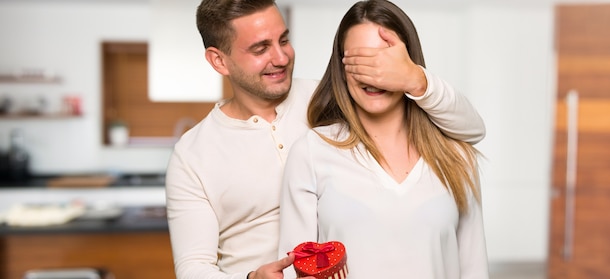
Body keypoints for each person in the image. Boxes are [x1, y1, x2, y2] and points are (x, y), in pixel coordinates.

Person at [166, 0, 486, 278]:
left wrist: (414, 78)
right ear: (218, 60)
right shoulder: (193, 154)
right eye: (260, 48)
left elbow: (469, 130)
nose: (280, 58)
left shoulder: (332, 98)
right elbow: (193, 267)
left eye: (284, 40)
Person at [277, 1, 489, 278]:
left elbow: (474, 269)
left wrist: (415, 79)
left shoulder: (456, 156)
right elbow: (296, 266)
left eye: (383, 61)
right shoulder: (312, 152)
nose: (373, 74)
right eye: (358, 62)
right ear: (340, 69)